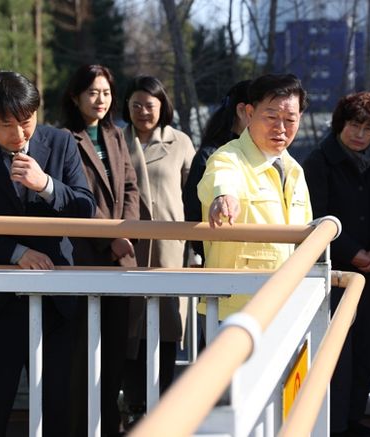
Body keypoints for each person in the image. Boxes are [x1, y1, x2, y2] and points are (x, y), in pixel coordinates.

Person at [0, 71, 96, 437]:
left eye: (27, 122)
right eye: (6, 125)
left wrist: (46, 185)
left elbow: (86, 209)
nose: (20, 134)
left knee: (59, 401)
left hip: (57, 294)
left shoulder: (60, 142)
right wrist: (14, 251)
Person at [303, 91, 370, 437]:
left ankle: (354, 417)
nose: (360, 134)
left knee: (365, 346)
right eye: (355, 125)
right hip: (334, 271)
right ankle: (335, 423)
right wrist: (353, 251)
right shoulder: (319, 161)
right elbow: (316, 216)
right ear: (341, 124)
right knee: (337, 350)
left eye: (369, 129)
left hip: (369, 270)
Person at [61, 64, 139, 437]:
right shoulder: (63, 138)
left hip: (120, 257)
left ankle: (109, 424)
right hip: (84, 256)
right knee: (81, 353)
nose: (100, 100)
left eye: (106, 92)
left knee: (114, 350)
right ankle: (81, 427)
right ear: (75, 96)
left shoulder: (116, 135)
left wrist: (127, 233)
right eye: (92, 92)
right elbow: (73, 198)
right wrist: (108, 238)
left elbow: (131, 189)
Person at [197, 73, 312, 320]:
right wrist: (224, 197)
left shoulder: (295, 170)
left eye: (290, 119)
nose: (281, 128)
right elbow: (219, 178)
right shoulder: (228, 157)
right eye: (271, 117)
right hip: (235, 309)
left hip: (286, 306)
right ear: (249, 113)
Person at [121, 75, 195, 418]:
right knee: (130, 324)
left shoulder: (179, 142)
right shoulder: (117, 140)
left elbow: (192, 194)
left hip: (168, 247)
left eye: (149, 105)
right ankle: (134, 401)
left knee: (166, 322)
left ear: (162, 106)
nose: (142, 112)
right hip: (128, 245)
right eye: (135, 105)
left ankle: (162, 400)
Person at [182, 79, 251, 264]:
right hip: (221, 262)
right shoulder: (211, 155)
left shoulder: (274, 158)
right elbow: (193, 212)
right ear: (242, 111)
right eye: (266, 114)